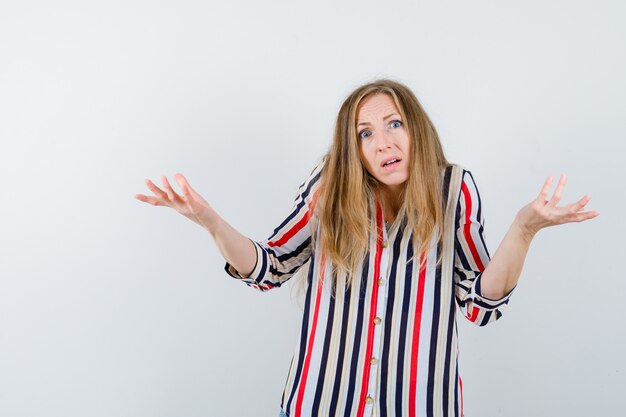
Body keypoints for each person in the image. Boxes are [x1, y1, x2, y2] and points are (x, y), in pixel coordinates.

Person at [134, 79, 599, 417]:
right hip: (319, 404)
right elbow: (270, 268)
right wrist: (210, 222)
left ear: (415, 127)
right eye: (366, 133)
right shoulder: (329, 186)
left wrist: (524, 228)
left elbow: (479, 303)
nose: (384, 142)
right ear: (353, 147)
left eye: (395, 123)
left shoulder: (455, 190)